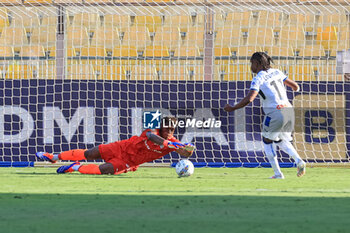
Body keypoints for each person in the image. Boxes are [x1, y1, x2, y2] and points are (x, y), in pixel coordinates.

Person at [224, 52, 306, 179]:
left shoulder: (258, 78)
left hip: (275, 112)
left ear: (257, 63)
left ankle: (278, 174)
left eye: (252, 63)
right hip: (289, 111)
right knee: (279, 140)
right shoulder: (277, 72)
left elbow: (249, 99)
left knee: (267, 141)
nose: (251, 66)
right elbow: (295, 87)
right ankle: (299, 161)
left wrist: (233, 108)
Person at [36, 116, 195, 175]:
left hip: (129, 162)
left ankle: (74, 167)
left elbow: (185, 153)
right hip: (121, 147)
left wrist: (188, 150)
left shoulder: (173, 142)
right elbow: (151, 137)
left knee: (103, 170)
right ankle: (53, 157)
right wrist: (170, 144)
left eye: (172, 130)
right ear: (161, 127)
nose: (169, 131)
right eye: (167, 128)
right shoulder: (153, 131)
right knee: (90, 153)